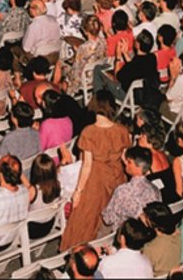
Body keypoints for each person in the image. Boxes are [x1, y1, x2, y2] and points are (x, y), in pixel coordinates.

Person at [60, 89, 131, 250]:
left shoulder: (89, 132)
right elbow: (124, 158)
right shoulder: (122, 130)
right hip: (117, 175)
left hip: (96, 179)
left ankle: (80, 252)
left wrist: (78, 190)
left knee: (84, 220)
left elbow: (87, 165)